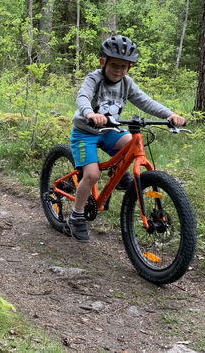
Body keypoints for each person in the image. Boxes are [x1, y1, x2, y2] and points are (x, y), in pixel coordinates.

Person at [67, 35, 186, 243]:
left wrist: (169, 115)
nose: (118, 70)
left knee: (130, 141)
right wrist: (89, 114)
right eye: (114, 65)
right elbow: (82, 96)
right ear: (103, 62)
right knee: (92, 175)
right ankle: (76, 216)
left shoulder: (127, 83)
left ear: (129, 67)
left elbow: (145, 102)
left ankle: (118, 173)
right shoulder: (94, 79)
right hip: (86, 132)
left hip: (110, 130)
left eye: (123, 66)